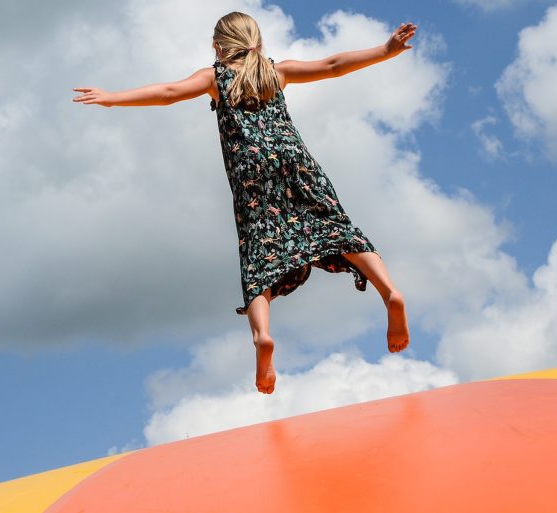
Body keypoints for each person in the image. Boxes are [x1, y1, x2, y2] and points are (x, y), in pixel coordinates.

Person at [72, 12, 415, 394]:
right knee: (338, 228)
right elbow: (333, 65)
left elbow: (168, 94)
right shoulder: (276, 72)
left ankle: (263, 337)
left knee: (258, 255)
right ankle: (389, 292)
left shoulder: (215, 78)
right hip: (294, 161)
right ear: (257, 40)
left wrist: (113, 99)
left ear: (219, 46)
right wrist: (386, 50)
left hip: (251, 176)